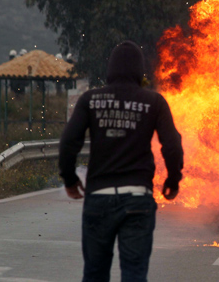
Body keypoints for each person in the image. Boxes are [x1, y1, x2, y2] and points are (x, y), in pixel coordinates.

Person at [59, 40, 184, 282]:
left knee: (95, 274)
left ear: (110, 70)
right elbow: (172, 145)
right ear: (140, 71)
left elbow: (68, 141)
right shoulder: (153, 102)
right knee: (134, 274)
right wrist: (173, 179)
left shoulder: (90, 100)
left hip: (99, 199)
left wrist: (70, 179)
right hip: (137, 199)